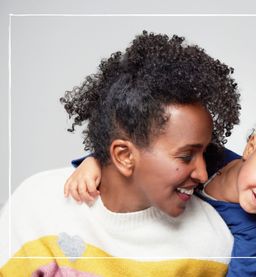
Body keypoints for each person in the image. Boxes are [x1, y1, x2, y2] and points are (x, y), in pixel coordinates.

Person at [0, 31, 241, 276]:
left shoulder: (212, 243)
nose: (202, 174)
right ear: (125, 156)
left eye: (205, 153)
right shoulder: (38, 206)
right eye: (186, 156)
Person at [66, 103, 256, 277]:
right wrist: (94, 162)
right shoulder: (208, 155)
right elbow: (147, 154)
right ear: (251, 147)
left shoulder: (252, 233)